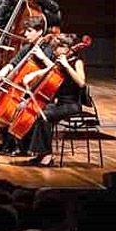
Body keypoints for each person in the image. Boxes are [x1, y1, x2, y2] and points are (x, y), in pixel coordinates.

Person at [20, 33, 86, 167]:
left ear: (66, 47)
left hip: (72, 105)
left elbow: (82, 83)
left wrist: (67, 66)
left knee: (45, 116)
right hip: (60, 103)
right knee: (34, 111)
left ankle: (47, 155)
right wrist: (33, 74)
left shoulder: (77, 62)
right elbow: (50, 70)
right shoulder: (60, 61)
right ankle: (39, 153)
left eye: (57, 48)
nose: (54, 51)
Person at [0, 16, 50, 156]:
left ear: (39, 32)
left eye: (29, 31)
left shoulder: (47, 49)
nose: (25, 34)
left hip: (36, 91)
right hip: (22, 89)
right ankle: (7, 143)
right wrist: (6, 69)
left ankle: (20, 145)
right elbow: (15, 62)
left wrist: (42, 57)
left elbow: (51, 70)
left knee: (16, 109)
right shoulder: (27, 47)